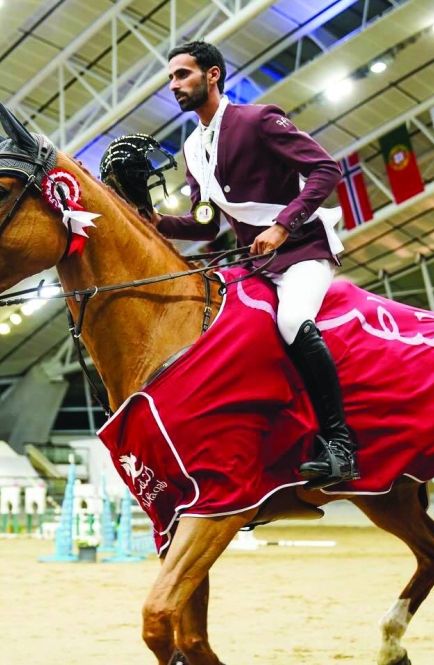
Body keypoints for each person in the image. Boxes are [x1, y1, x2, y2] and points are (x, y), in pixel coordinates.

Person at [152, 41, 356, 489]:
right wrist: (155, 221)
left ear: (212, 76)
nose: (174, 85)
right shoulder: (192, 148)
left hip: (302, 250)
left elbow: (326, 170)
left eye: (183, 74)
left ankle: (340, 445)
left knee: (292, 319)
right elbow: (206, 223)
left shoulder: (259, 120)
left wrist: (284, 225)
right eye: (170, 78)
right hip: (257, 264)